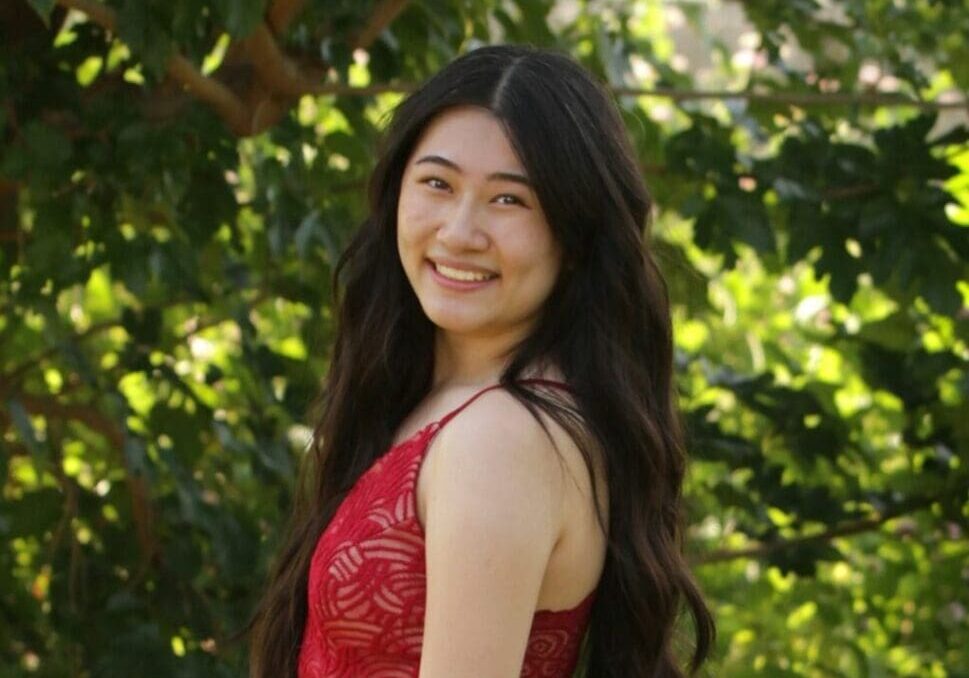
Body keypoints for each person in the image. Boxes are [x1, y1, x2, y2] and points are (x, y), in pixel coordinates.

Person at [244, 44, 715, 677]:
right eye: (438, 183)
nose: (460, 232)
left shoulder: (499, 441)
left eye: (509, 200)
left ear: (574, 235)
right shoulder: (448, 401)